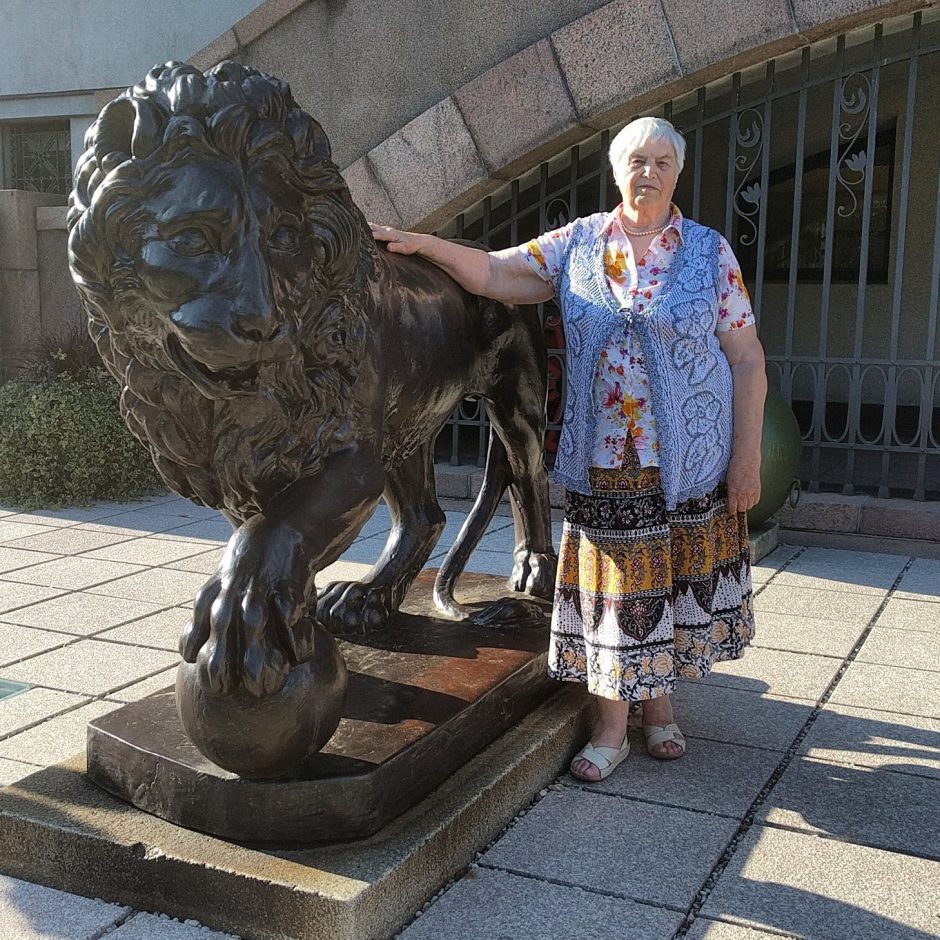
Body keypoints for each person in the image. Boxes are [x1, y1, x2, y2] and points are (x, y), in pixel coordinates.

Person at [371, 116, 765, 782]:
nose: (648, 172)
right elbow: (497, 274)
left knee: (665, 584)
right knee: (617, 592)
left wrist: (746, 459)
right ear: (617, 171)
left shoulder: (707, 251)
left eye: (662, 161)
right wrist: (425, 245)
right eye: (636, 160)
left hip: (691, 456)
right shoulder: (581, 242)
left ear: (679, 173)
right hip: (607, 455)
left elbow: (747, 357)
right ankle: (612, 727)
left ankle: (660, 711)